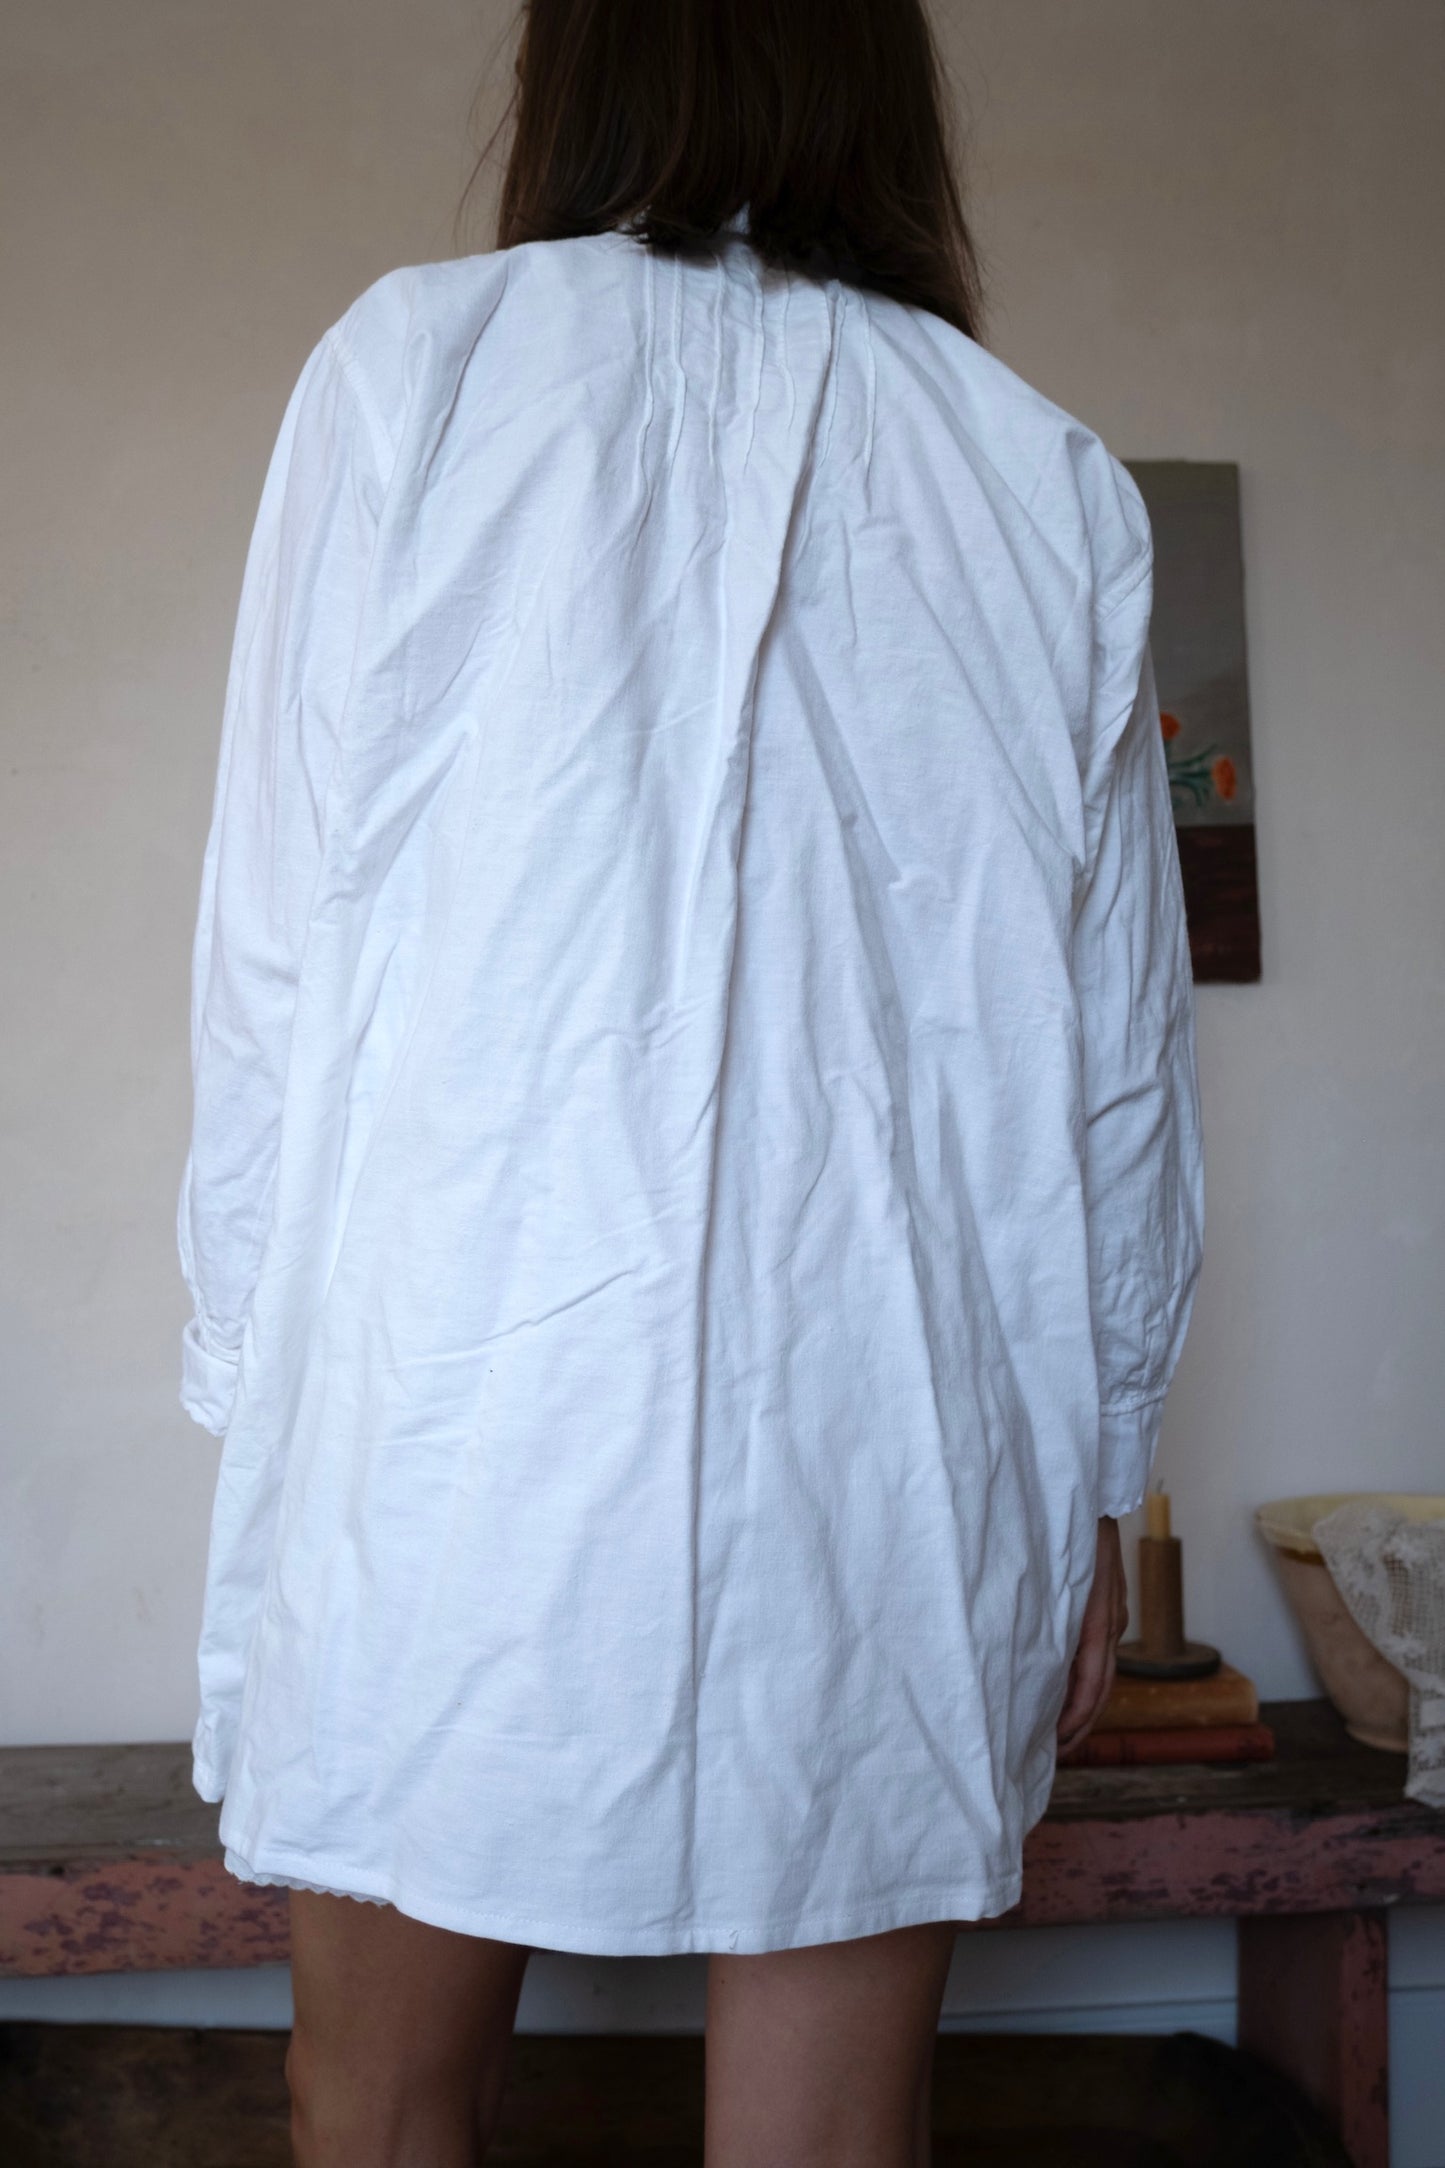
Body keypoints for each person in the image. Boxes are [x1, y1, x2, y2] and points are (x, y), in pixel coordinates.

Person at [175, 0, 1205, 2160]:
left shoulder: (419, 369)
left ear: (582, 67)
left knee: (375, 2109)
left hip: (452, 1401)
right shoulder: (1041, 477)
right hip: (896, 1428)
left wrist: (256, 1386)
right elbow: (1120, 1070)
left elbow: (272, 948)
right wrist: (1096, 1467)